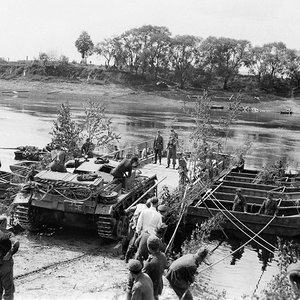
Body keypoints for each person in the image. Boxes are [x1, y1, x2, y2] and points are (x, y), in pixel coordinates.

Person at [0, 215, 20, 300]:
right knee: (8, 288)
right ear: (5, 223)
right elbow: (16, 244)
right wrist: (10, 254)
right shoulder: (9, 234)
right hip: (5, 263)